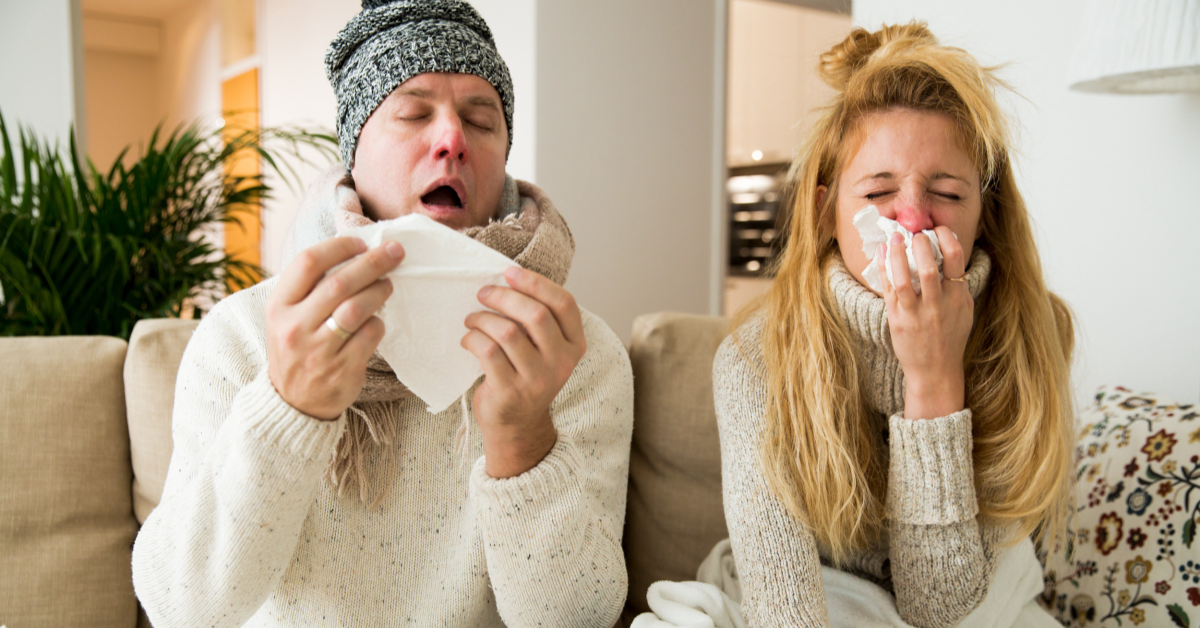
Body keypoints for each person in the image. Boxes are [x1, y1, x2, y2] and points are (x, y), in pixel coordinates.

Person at [131, 1, 633, 626]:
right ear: (354, 154)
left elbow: (578, 619)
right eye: (413, 114)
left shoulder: (569, 351)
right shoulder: (244, 335)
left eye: (481, 120)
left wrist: (523, 439)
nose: (452, 140)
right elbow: (180, 607)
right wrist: (287, 409)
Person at [713, 23, 1075, 627]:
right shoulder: (753, 360)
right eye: (879, 191)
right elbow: (785, 612)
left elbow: (943, 612)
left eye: (947, 194)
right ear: (826, 213)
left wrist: (933, 379)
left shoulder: (1033, 335)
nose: (910, 219)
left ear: (984, 215)